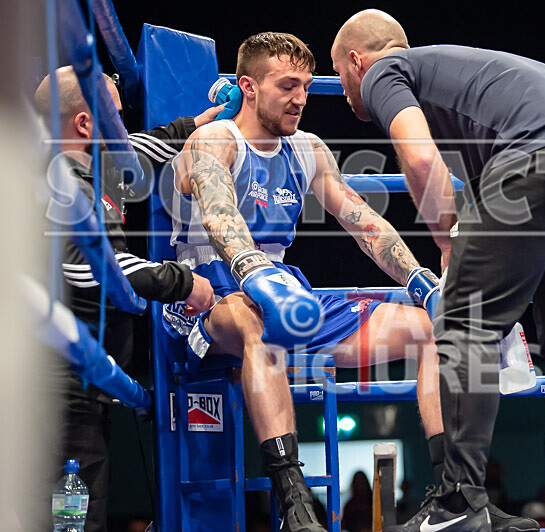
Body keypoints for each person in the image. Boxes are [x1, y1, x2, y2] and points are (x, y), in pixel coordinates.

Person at [332, 10, 545, 532]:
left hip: (541, 156)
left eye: (339, 76)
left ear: (356, 61)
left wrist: (445, 237)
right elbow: (489, 203)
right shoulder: (465, 80)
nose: (342, 92)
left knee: (462, 322)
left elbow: (420, 160)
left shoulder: (385, 72)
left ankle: (457, 503)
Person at [169, 32, 448, 532]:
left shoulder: (308, 150)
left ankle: (453, 491)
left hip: (285, 289)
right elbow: (218, 213)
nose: (300, 97)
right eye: (286, 85)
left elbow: (364, 222)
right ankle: (294, 503)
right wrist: (255, 274)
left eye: (305, 85)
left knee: (429, 328)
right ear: (247, 88)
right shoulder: (214, 141)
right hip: (207, 292)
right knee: (263, 324)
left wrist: (420, 279)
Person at [32, 66, 218, 532]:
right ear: (85, 124)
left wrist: (196, 125)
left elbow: (141, 148)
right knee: (71, 522)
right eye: (114, 118)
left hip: (76, 382)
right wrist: (183, 281)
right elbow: (89, 268)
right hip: (60, 388)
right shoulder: (64, 182)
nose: (122, 130)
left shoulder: (88, 163)